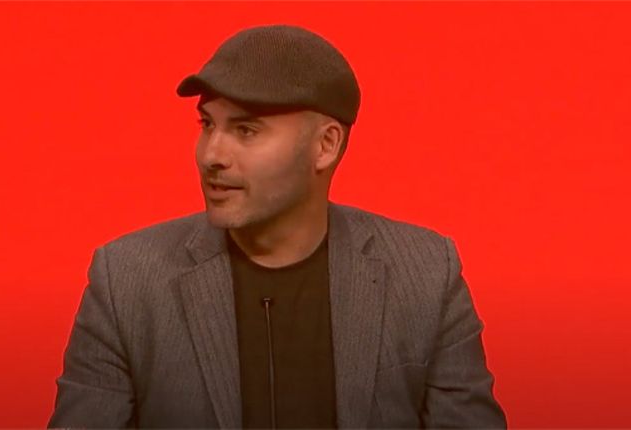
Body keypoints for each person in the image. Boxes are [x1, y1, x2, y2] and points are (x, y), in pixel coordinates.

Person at [48, 24, 506, 429]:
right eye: (207, 125)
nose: (211, 155)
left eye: (245, 130)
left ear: (325, 146)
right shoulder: (126, 281)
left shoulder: (425, 274)